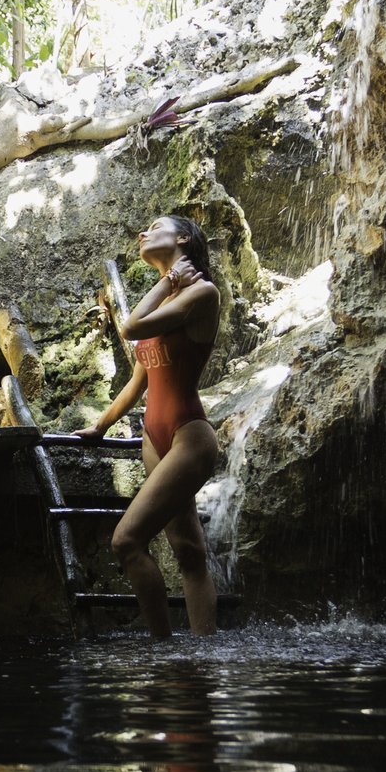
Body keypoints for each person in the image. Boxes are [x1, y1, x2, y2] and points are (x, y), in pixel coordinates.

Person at [83, 215, 222, 637]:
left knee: (126, 540)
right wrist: (101, 428)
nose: (143, 233)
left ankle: (162, 651)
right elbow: (139, 380)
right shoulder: (167, 299)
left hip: (188, 435)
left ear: (183, 238)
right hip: (153, 437)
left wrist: (167, 282)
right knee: (188, 549)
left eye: (155, 226)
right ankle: (202, 650)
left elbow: (130, 327)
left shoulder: (202, 293)